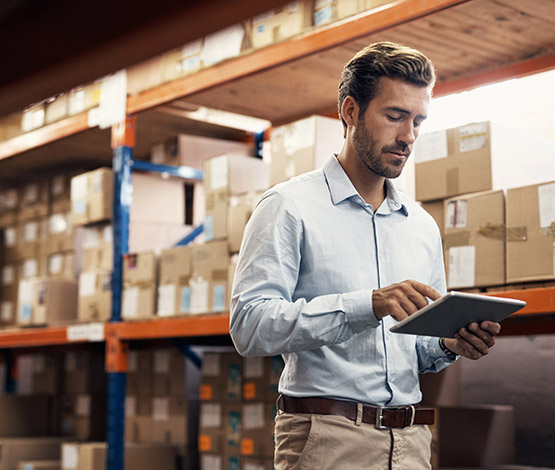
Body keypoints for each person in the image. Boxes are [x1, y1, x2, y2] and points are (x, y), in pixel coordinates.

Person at [229, 42, 501, 470]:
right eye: (394, 117)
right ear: (351, 111)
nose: (408, 136)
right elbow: (249, 327)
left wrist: (450, 343)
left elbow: (418, 348)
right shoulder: (289, 206)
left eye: (418, 121)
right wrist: (367, 304)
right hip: (327, 440)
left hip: (411, 442)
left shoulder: (421, 225)